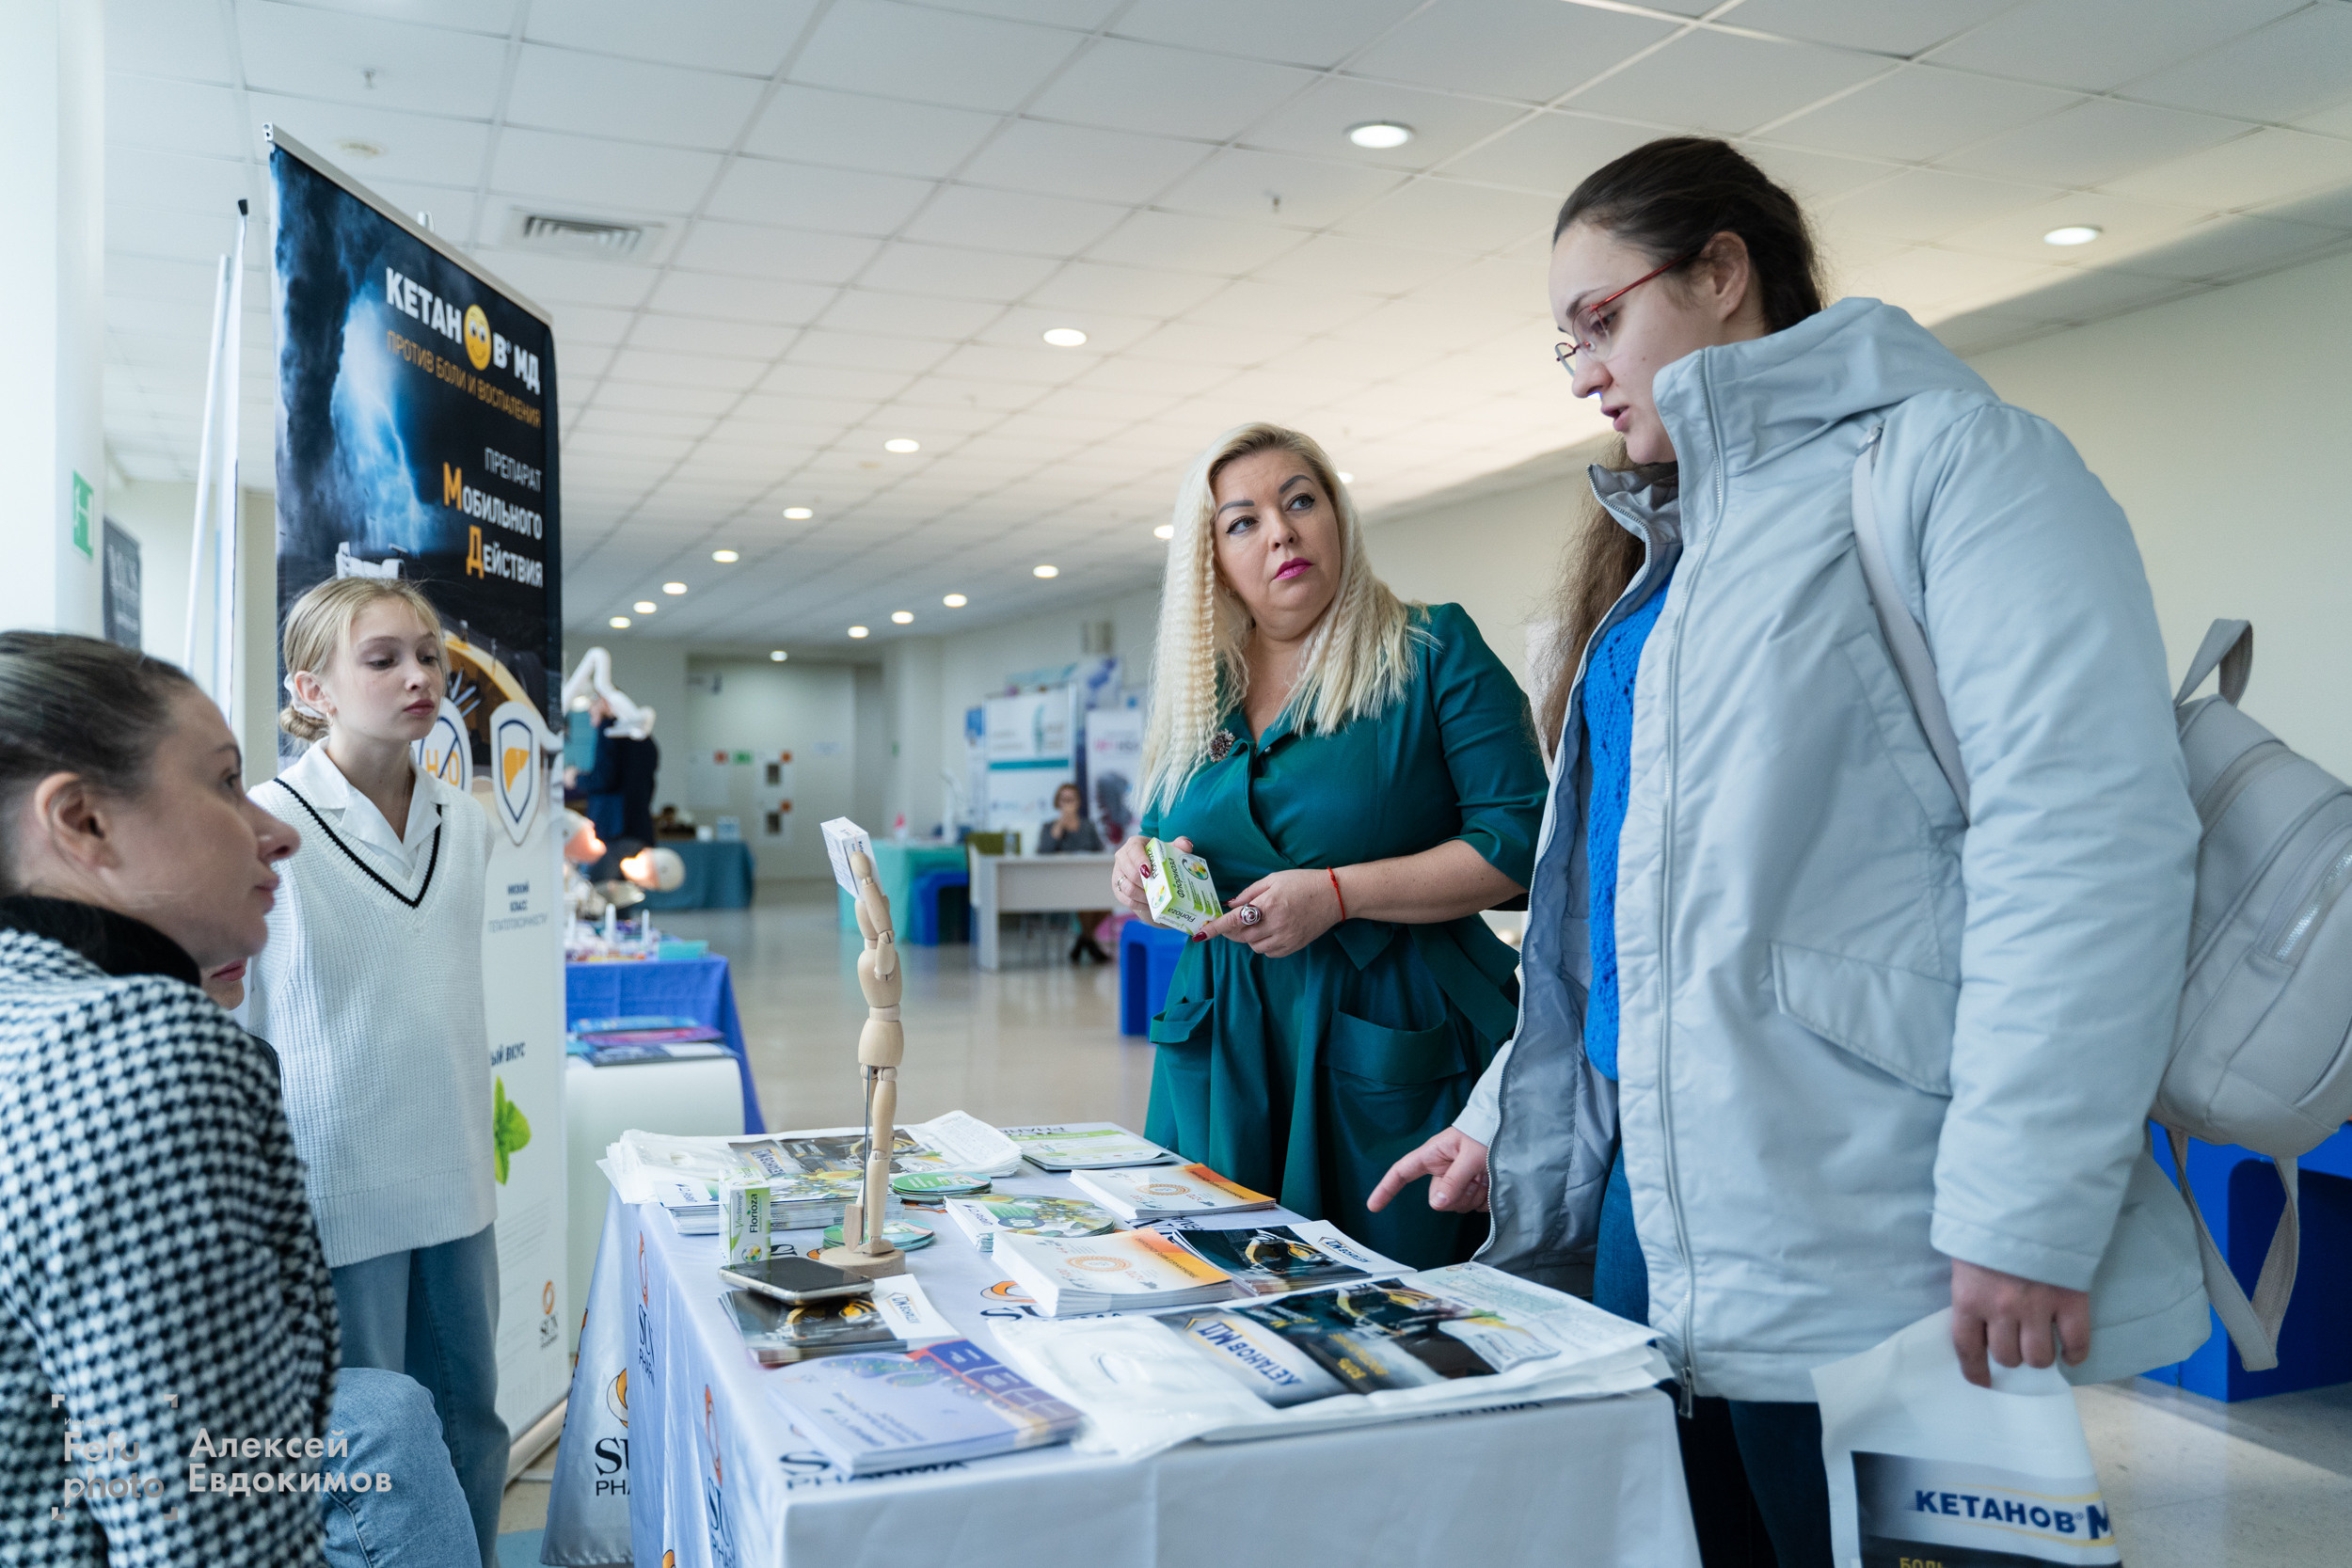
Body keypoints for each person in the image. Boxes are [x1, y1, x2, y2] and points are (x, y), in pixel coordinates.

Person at [1372, 137, 2208, 1565]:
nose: (1578, 365)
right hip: (1663, 1209)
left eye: (1600, 318)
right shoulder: (1663, 565)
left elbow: (2086, 842)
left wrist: (2024, 1205)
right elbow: (1622, 903)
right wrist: (1514, 1109)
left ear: (1720, 270)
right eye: (1559, 339)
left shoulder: (1956, 462)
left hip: (1888, 1221)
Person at [0, 631, 479, 1566]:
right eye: (223, 782)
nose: (275, 830)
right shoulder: (143, 1057)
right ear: (84, 820)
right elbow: (210, 1534)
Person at [1114, 422, 1547, 1268]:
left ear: (1337, 516)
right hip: (1221, 1039)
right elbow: (1169, 831)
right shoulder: (1201, 690)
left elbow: (1521, 845)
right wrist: (1136, 863)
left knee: (1389, 1305)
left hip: (1381, 1023)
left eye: (1300, 500)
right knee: (1211, 1282)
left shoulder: (1430, 652)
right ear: (1211, 558)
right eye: (1243, 520)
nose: (1280, 529)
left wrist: (1340, 893)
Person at [239, 578, 508, 1566]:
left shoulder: (465, 819)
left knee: (472, 1425)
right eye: (382, 657)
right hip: (332, 1182)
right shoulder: (265, 822)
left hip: (453, 1168)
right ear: (310, 688)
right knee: (369, 1453)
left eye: (429, 655)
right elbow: (252, 1012)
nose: (418, 676)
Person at [1038, 781, 1110, 962]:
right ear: (1058, 802)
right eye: (1064, 800)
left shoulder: (1087, 826)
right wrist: (1061, 824)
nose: (1068, 803)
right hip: (1060, 884)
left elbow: (1099, 851)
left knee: (1105, 902)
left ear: (1078, 802)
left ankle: (1083, 940)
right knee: (1085, 900)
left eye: (1072, 799)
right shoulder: (1050, 827)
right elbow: (1044, 852)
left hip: (1087, 880)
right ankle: (1089, 943)